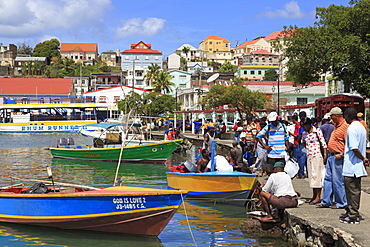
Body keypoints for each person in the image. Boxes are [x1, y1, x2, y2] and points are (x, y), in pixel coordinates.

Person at [340, 107, 369, 224]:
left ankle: (353, 215)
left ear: (347, 116)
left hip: (352, 166)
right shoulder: (361, 127)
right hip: (357, 167)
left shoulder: (351, 128)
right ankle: (353, 212)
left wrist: (363, 158)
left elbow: (354, 148)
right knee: (355, 191)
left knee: (352, 192)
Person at [316, 107, 348, 209]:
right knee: (328, 179)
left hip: (338, 156)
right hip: (331, 155)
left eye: (331, 116)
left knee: (337, 180)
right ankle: (326, 200)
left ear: (336, 116)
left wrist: (342, 154)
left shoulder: (345, 127)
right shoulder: (336, 126)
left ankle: (341, 202)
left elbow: (348, 143)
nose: (330, 118)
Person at [301, 117, 327, 205]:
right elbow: (303, 142)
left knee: (317, 175)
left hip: (317, 155)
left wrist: (325, 154)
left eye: (305, 126)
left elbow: (323, 143)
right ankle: (314, 195)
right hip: (309, 155)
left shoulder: (317, 131)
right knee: (312, 176)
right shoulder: (304, 133)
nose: (304, 128)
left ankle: (318, 197)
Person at [294, 111, 308, 179]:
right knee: (307, 159)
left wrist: (298, 141)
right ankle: (308, 173)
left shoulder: (302, 124)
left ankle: (301, 174)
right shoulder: (309, 123)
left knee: (301, 159)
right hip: (308, 144)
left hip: (302, 143)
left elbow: (301, 134)